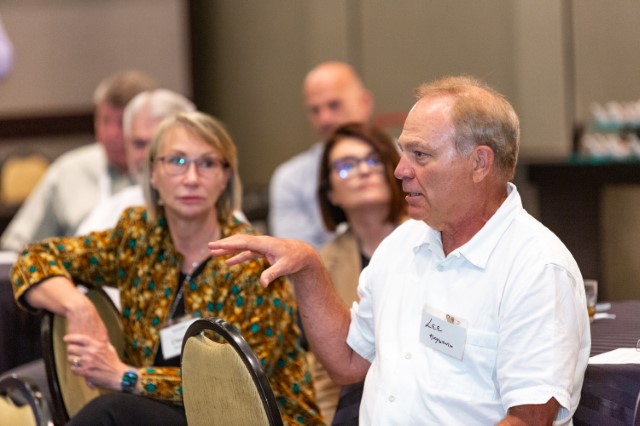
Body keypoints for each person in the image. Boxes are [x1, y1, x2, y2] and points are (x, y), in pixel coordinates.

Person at [210, 76, 591, 425]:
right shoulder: (402, 243)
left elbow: (527, 420)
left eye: (420, 155)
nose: (400, 170)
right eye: (403, 153)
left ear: (479, 163)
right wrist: (309, 267)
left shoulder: (536, 267)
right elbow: (349, 362)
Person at [9, 111, 323, 425]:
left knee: (112, 411)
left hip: (255, 417)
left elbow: (234, 384)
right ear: (152, 174)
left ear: (225, 177)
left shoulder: (250, 258)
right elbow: (33, 258)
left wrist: (127, 377)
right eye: (177, 161)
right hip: (162, 413)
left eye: (207, 163)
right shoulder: (138, 237)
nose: (191, 178)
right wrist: (78, 307)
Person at [312, 122, 407, 424]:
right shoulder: (323, 264)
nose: (363, 171)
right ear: (330, 193)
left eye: (373, 160)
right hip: (354, 406)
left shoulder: (433, 238)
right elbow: (324, 371)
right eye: (345, 166)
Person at [1, 70, 158, 252]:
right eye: (104, 121)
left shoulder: (170, 176)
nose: (111, 134)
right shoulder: (67, 172)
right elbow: (17, 245)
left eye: (122, 123)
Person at [269, 61, 373, 249]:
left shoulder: (404, 162)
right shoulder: (290, 179)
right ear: (331, 193)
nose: (324, 119)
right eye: (314, 110)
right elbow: (297, 256)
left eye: (334, 105)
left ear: (364, 103)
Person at [75, 89, 196, 235]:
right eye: (139, 144)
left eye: (159, 143)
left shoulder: (216, 217)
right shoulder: (109, 216)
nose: (148, 155)